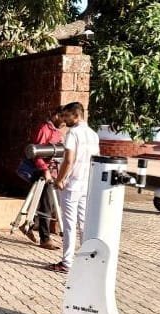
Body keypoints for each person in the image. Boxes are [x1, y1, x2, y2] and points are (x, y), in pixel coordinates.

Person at [48, 102, 100, 273]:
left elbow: (69, 160)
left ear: (76, 116)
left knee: (69, 224)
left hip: (72, 184)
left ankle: (67, 262)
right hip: (86, 183)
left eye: (66, 116)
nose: (64, 119)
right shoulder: (93, 135)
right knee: (84, 223)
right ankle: (87, 260)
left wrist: (60, 179)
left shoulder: (73, 133)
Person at [20, 106, 65, 250]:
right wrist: (45, 170)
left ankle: (29, 224)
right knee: (47, 203)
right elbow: (36, 153)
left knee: (49, 203)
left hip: (52, 172)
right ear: (56, 115)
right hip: (41, 171)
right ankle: (45, 239)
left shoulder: (58, 132)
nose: (65, 122)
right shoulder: (44, 129)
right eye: (63, 118)